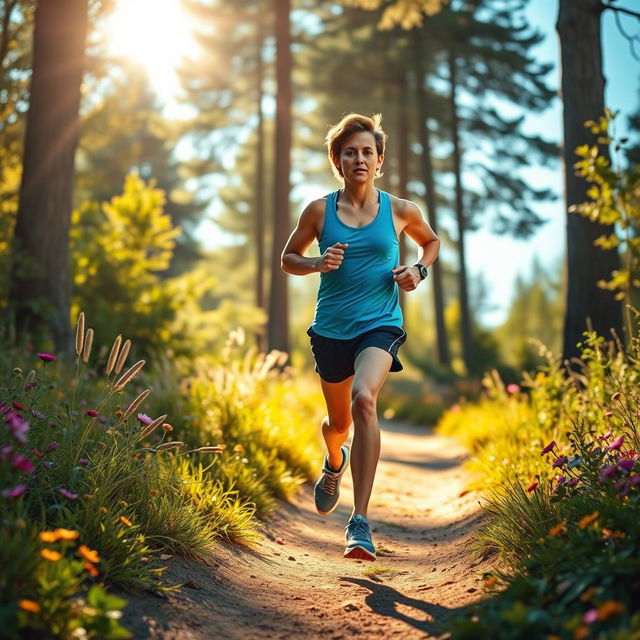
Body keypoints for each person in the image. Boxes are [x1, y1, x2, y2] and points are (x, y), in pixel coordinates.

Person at [281, 113, 440, 561]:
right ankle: (335, 461)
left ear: (379, 159)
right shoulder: (318, 211)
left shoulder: (400, 209)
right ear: (338, 160)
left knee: (364, 399)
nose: (360, 158)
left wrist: (418, 269)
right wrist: (315, 263)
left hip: (380, 323)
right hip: (330, 330)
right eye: (350, 151)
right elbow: (287, 258)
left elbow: (430, 242)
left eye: (367, 151)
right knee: (339, 426)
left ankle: (360, 521)